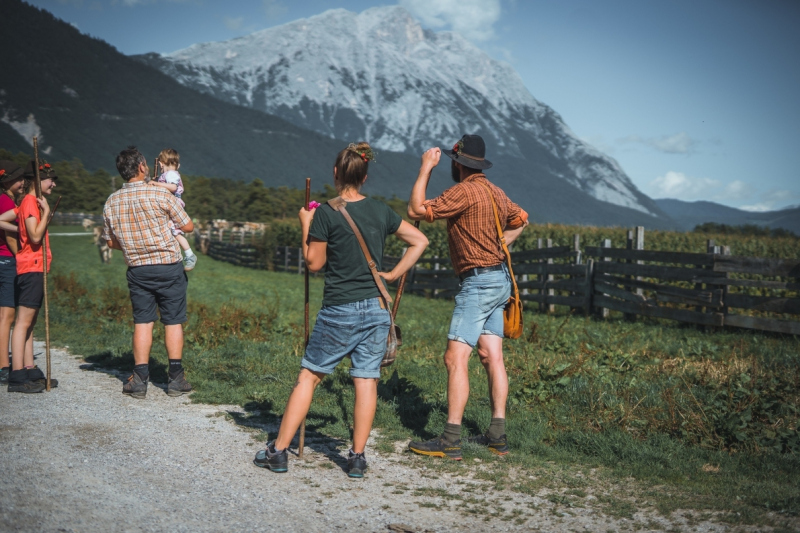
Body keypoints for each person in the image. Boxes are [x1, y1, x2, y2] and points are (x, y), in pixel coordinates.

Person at [254, 142, 428, 478]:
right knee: (366, 381)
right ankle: (357, 458)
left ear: (336, 174)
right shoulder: (381, 211)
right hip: (377, 309)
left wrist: (306, 222)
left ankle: (277, 452)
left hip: (340, 309)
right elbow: (419, 241)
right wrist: (391, 274)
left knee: (309, 376)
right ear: (364, 176)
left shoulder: (325, 213)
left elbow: (314, 263)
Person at [406, 134, 528, 459]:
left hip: (477, 282)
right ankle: (498, 435)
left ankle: (450, 439)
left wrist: (425, 168)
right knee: (493, 357)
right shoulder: (496, 192)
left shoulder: (463, 191)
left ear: (458, 162)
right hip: (499, 279)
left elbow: (416, 209)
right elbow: (522, 218)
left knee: (454, 358)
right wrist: (503, 242)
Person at [102, 146, 194, 399]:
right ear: (142, 167)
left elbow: (110, 242)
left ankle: (139, 379)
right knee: (173, 320)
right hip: (168, 265)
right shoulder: (158, 194)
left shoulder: (111, 201)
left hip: (138, 269)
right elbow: (188, 225)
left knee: (142, 321)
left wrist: (133, 243)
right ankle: (176, 378)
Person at [0, 161, 58, 393]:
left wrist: (20, 229)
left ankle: (26, 369)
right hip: (32, 267)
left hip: (33, 267)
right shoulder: (32, 204)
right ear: (37, 180)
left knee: (29, 321)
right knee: (23, 323)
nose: (53, 183)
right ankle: (17, 376)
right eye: (50, 179)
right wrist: (46, 214)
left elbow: (2, 219)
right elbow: (35, 237)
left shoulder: (25, 202)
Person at [149, 148, 197, 271]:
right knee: (172, 232)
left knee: (175, 232)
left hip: (172, 205)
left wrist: (156, 184)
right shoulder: (170, 174)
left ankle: (189, 254)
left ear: (161, 164)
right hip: (170, 204)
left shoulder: (170, 174)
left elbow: (173, 187)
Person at [0, 161, 26, 385]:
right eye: (19, 179)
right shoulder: (5, 201)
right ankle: (4, 366)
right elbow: (6, 231)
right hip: (7, 260)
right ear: (8, 181)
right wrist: (21, 230)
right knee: (7, 317)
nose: (22, 182)